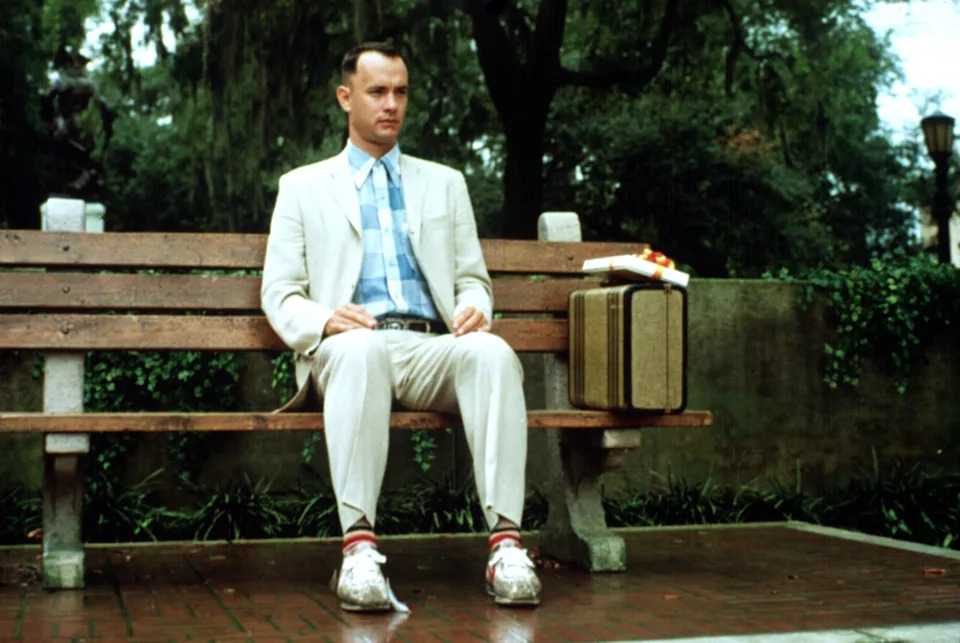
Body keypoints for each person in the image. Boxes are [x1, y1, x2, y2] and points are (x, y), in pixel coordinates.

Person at [260, 42, 541, 611]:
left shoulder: (445, 183)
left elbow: (473, 279)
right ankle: (358, 552)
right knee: (361, 348)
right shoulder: (303, 186)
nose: (391, 104)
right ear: (346, 98)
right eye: (377, 92)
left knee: (491, 353)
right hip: (346, 350)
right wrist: (325, 318)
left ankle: (506, 547)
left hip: (429, 346)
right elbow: (280, 293)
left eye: (401, 92)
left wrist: (475, 307)